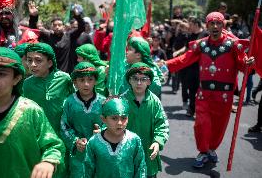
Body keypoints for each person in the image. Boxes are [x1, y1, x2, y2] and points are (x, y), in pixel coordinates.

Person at [165, 12, 255, 168]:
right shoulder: (202, 45)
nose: (215, 26)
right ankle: (203, 151)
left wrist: (249, 64)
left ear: (223, 25)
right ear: (206, 26)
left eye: (218, 23)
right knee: (201, 124)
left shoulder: (233, 46)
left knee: (219, 127)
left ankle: (211, 150)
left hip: (224, 97)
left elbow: (242, 65)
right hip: (203, 95)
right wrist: (165, 65)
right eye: (211, 23)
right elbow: (184, 59)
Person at [0, 47, 65, 178]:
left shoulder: (30, 110)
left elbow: (53, 145)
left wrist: (48, 162)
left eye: (1, 74)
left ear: (17, 78)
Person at [122, 62, 169, 178]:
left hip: (148, 151)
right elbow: (111, 122)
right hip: (125, 151)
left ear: (149, 82)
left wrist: (158, 141)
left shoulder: (155, 101)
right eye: (135, 79)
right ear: (129, 80)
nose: (139, 83)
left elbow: (162, 124)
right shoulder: (121, 100)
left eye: (143, 79)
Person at [60, 62, 106, 178]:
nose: (86, 84)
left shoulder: (103, 102)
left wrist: (103, 133)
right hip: (78, 153)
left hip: (100, 152)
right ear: (75, 82)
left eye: (90, 80)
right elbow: (64, 126)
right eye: (81, 80)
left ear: (95, 81)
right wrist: (76, 141)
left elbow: (111, 124)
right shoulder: (69, 102)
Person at [84, 96, 147, 178]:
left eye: (124, 118)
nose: (120, 123)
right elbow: (88, 170)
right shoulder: (94, 142)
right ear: (103, 119)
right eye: (114, 118)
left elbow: (140, 169)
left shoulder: (134, 140)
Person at [23, 42, 73, 133]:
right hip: (38, 133)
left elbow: (75, 101)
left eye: (38, 60)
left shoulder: (64, 79)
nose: (33, 64)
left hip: (62, 132)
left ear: (50, 63)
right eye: (29, 60)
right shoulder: (26, 84)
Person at [28, 2, 86, 73]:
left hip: (66, 74)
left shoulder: (69, 36)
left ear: (64, 26)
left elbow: (81, 28)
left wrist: (77, 16)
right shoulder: (48, 36)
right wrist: (33, 16)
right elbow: (34, 30)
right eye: (55, 25)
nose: (57, 27)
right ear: (51, 27)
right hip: (50, 73)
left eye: (59, 25)